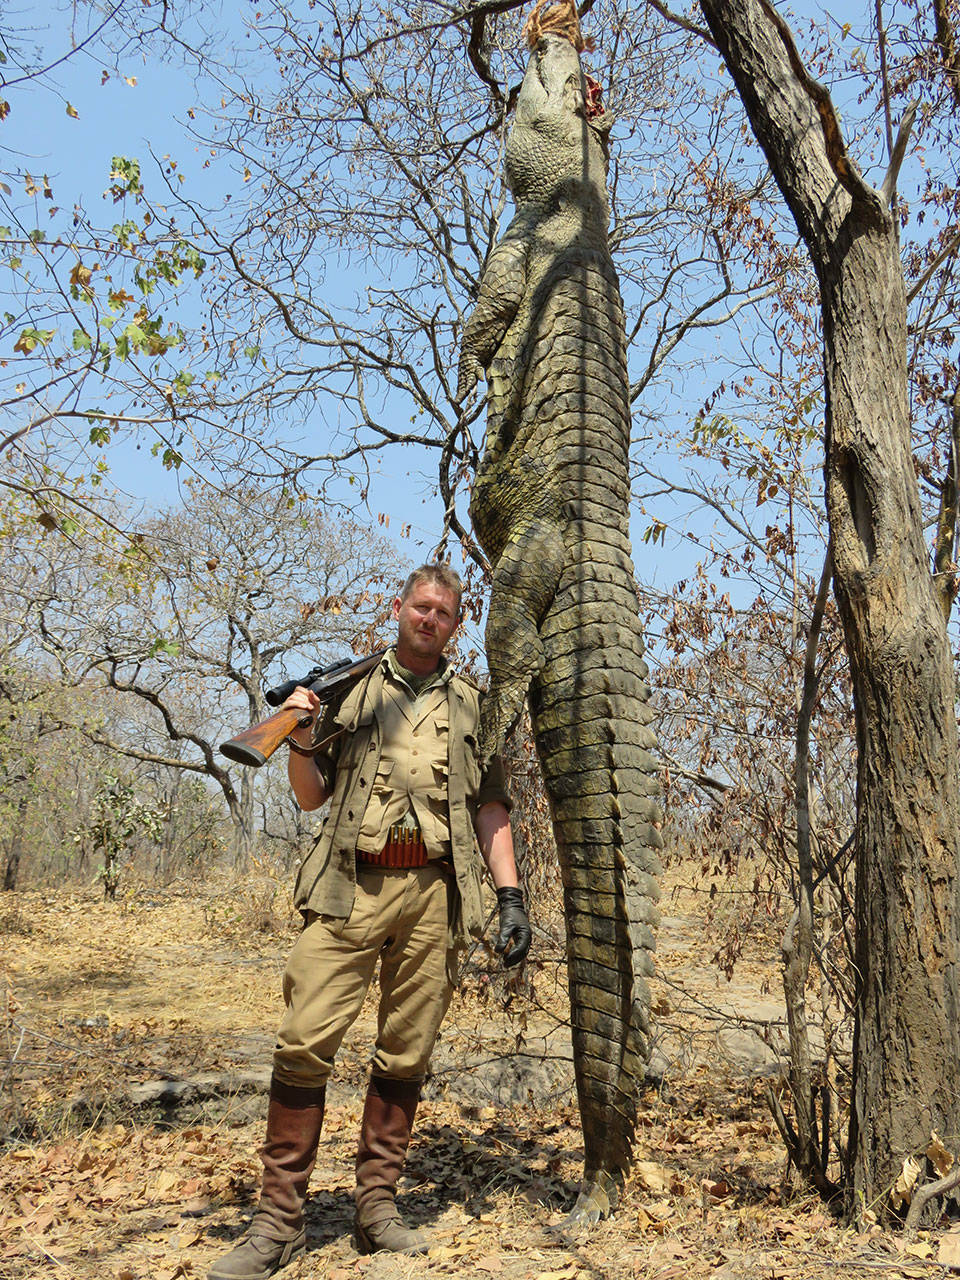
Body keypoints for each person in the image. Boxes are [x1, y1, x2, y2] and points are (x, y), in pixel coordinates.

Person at [208, 564, 531, 1280]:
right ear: (398, 609)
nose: (430, 620)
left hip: (434, 892)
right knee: (302, 1040)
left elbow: (490, 808)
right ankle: (278, 1223)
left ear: (456, 624)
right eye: (420, 607)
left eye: (444, 613)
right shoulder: (349, 689)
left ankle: (377, 1207)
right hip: (347, 887)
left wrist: (511, 897)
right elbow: (311, 799)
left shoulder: (476, 704)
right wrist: (296, 732)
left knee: (406, 1053)